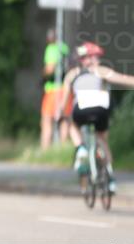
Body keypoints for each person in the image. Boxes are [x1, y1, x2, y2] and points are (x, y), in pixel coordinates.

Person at [57, 41, 134, 194]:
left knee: (71, 122)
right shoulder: (101, 71)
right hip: (101, 110)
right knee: (103, 140)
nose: (97, 60)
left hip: (81, 109)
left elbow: (63, 102)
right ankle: (110, 180)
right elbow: (124, 79)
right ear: (90, 58)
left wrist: (59, 114)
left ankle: (80, 149)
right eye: (96, 57)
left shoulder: (72, 74)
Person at [41, 28, 71, 149]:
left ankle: (45, 150)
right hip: (66, 89)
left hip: (53, 89)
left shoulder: (51, 49)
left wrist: (43, 74)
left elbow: (50, 68)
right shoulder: (64, 48)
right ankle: (62, 149)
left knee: (46, 120)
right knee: (65, 119)